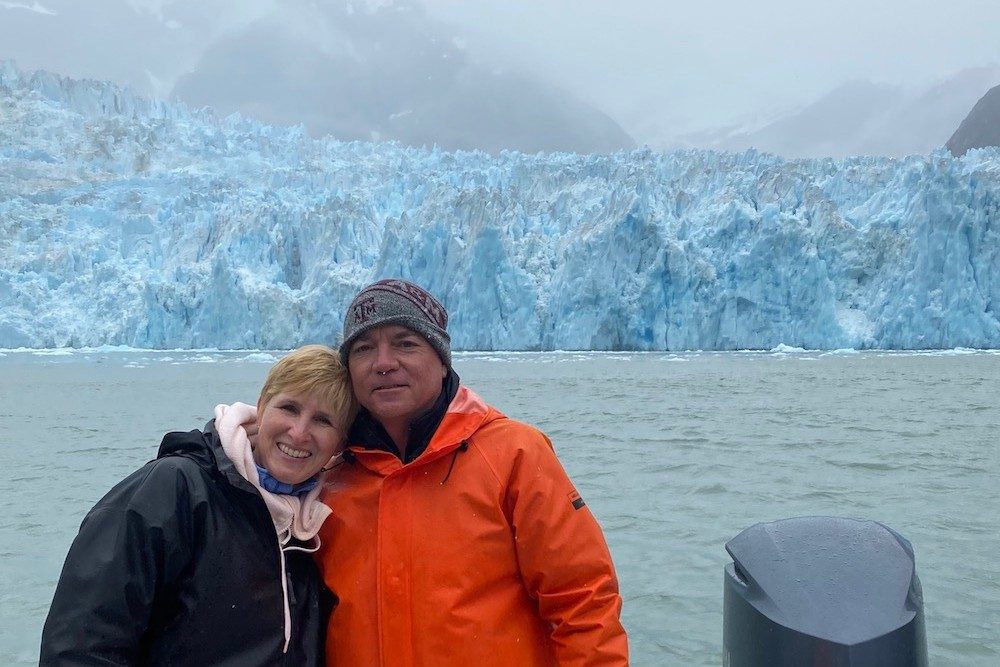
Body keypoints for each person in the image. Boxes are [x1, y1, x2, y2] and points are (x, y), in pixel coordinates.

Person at [316, 278, 629, 666]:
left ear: (443, 361)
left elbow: (583, 602)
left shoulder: (514, 455)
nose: (383, 363)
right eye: (364, 349)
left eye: (405, 343)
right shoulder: (328, 474)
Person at [40, 345, 356, 666]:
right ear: (261, 407)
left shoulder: (311, 525)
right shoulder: (176, 488)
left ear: (339, 443)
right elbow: (82, 643)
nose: (299, 432)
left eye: (323, 420)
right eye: (289, 407)